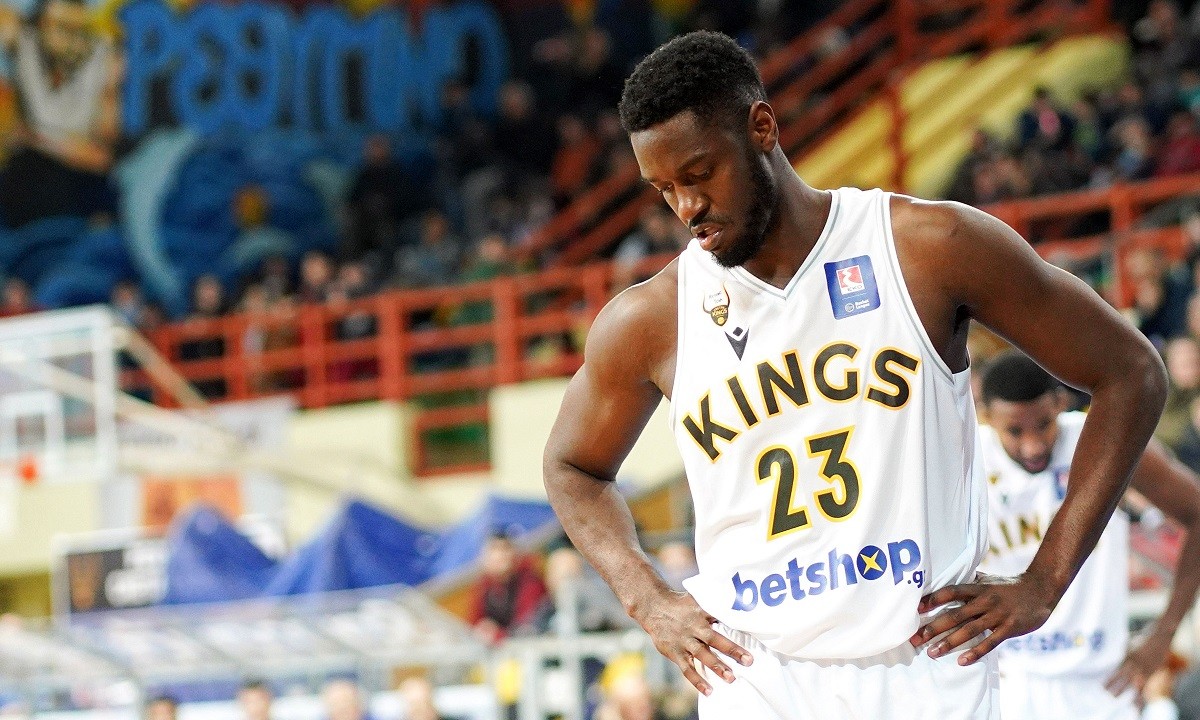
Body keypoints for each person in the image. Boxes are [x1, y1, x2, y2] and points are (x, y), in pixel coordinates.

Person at [541, 31, 1167, 719]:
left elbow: (1130, 371)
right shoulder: (651, 318)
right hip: (757, 675)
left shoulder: (927, 249)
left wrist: (1045, 582)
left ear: (761, 128)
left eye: (699, 174)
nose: (687, 208)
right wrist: (648, 599)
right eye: (665, 190)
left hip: (925, 663)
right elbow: (571, 467)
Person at [976, 351, 1200, 719]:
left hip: (1101, 681)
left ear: (1060, 403)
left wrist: (1162, 637)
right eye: (1015, 431)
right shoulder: (969, 455)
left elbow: (1195, 513)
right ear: (987, 416)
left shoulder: (1101, 441)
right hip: (1006, 677)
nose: (1033, 445)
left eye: (1044, 424)